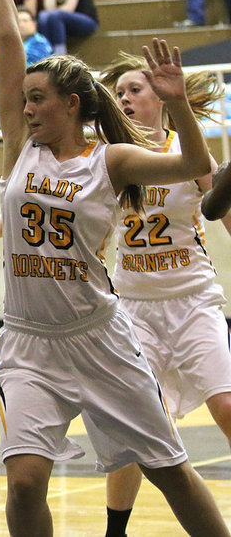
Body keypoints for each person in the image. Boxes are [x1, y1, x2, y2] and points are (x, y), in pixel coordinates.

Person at [0, 0, 230, 537]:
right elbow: (7, 37)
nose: (27, 106)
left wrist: (179, 103)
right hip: (28, 342)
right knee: (24, 482)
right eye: (25, 98)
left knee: (171, 470)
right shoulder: (20, 148)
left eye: (38, 98)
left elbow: (190, 164)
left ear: (71, 104)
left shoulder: (109, 160)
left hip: (101, 336)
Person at [98, 54, 231, 537]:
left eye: (135, 89)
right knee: (135, 432)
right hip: (134, 309)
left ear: (160, 97)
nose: (125, 99)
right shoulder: (109, 159)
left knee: (227, 406)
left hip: (193, 299)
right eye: (119, 93)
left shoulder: (190, 155)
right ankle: (115, 531)